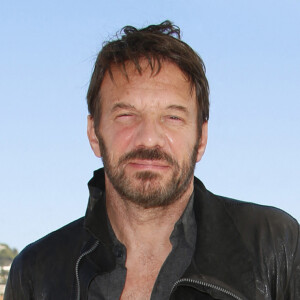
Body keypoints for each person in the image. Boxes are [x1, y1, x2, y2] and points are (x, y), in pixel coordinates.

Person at [4, 21, 300, 300]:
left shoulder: (276, 247)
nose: (148, 138)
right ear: (94, 134)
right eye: (126, 116)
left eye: (172, 117)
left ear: (201, 139)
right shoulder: (35, 274)